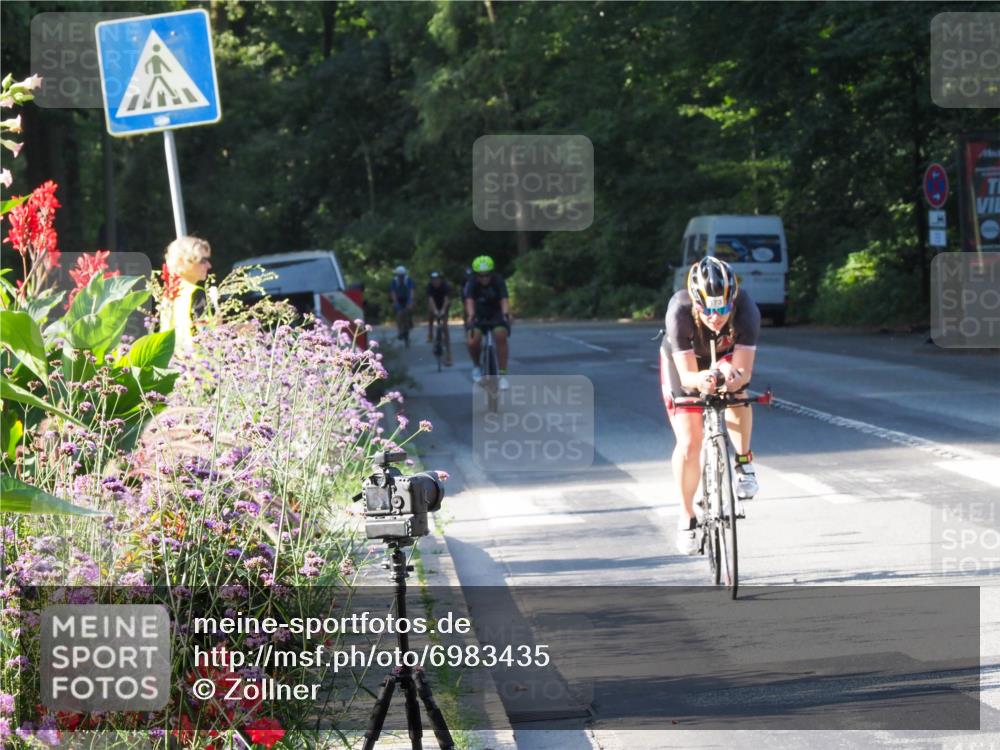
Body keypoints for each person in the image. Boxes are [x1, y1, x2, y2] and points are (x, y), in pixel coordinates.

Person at [659, 256, 761, 555]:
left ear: (733, 302)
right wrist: (701, 379)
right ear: (695, 303)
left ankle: (744, 463)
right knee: (690, 442)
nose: (715, 316)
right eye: (708, 309)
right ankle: (687, 514)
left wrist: (731, 377)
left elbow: (745, 371)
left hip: (726, 358)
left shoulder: (746, 311)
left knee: (738, 392)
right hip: (687, 363)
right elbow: (688, 375)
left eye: (722, 308)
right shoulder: (678, 311)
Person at [463, 255, 511, 389]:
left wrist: (505, 314)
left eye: (487, 275)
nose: (484, 278)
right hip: (479, 314)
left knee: (501, 336)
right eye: (481, 275)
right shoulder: (472, 282)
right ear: (476, 275)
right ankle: (477, 366)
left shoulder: (498, 281)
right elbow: (469, 300)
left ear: (492, 273)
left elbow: (504, 299)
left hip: (495, 314)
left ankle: (502, 376)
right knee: (473, 341)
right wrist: (471, 315)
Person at [159, 235, 212, 352]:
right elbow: (206, 335)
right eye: (202, 260)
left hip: (173, 363)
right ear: (182, 261)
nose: (209, 266)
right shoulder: (196, 293)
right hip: (198, 365)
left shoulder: (169, 293)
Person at [426, 271, 453, 366]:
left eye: (437, 279)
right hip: (434, 305)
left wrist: (442, 310)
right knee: (430, 315)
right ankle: (430, 333)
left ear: (440, 280)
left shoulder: (445, 286)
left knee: (445, 327)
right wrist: (435, 311)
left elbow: (446, 300)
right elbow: (430, 300)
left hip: (443, 305)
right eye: (433, 280)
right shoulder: (429, 287)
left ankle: (449, 355)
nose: (435, 282)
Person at [389, 265, 415, 346]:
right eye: (399, 276)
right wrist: (396, 302)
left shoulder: (408, 280)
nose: (401, 277)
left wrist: (410, 302)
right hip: (398, 300)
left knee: (410, 309)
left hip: (407, 299)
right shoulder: (394, 281)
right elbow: (393, 293)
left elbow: (411, 292)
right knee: (399, 313)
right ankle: (400, 331)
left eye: (402, 275)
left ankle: (410, 321)